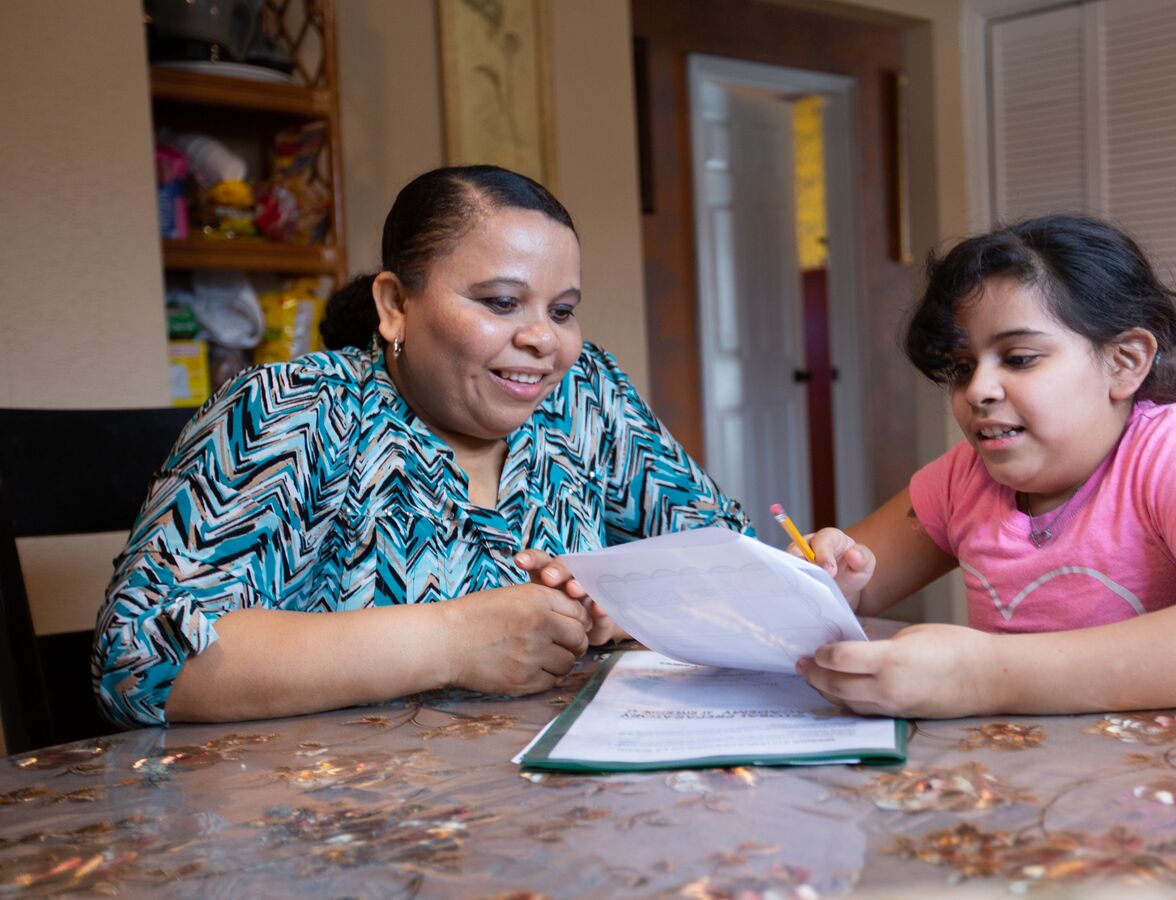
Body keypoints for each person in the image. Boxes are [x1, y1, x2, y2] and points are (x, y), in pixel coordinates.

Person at [94, 165, 750, 728]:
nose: (544, 341)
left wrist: (627, 602)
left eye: (562, 310)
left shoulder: (585, 396)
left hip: (560, 810)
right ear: (394, 307)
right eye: (501, 302)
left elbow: (727, 562)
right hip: (340, 831)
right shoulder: (297, 409)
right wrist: (454, 640)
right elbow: (141, 662)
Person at [790, 214, 1176, 719]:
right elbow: (840, 589)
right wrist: (832, 575)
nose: (977, 389)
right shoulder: (964, 478)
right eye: (961, 367)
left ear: (1125, 362)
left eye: (1020, 358)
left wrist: (985, 676)